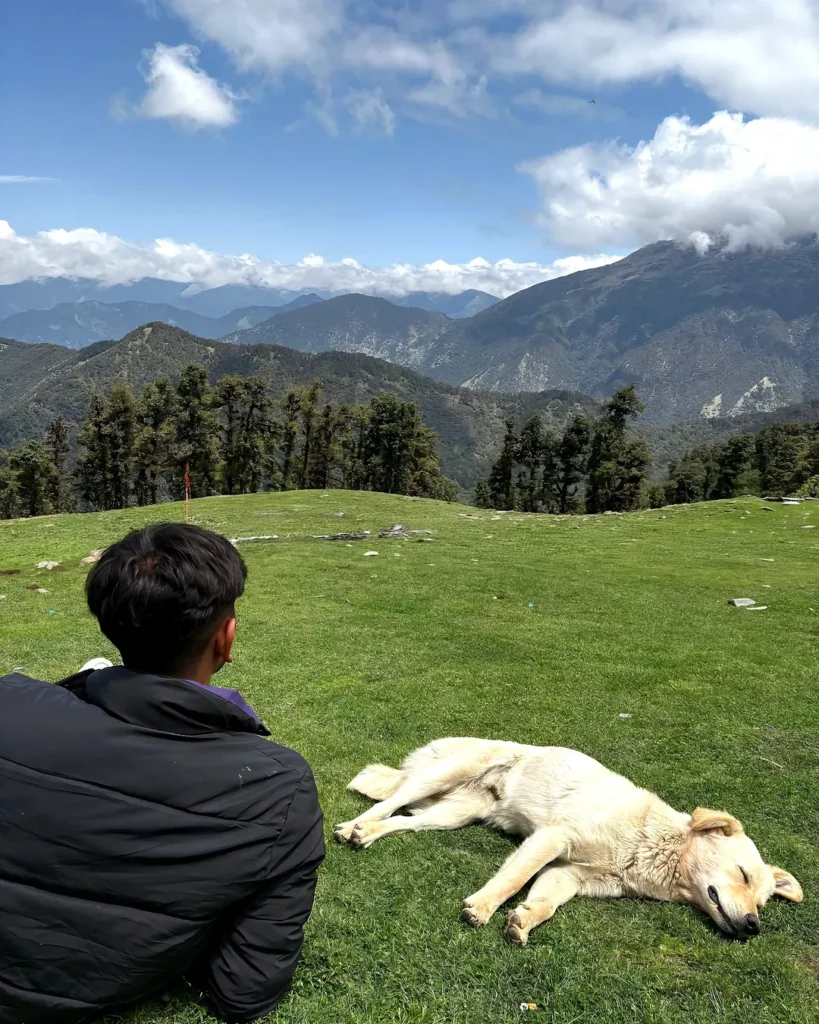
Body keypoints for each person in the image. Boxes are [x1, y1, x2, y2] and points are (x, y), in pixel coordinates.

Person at [0, 524, 325, 1024]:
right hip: (97, 991)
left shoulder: (10, 702)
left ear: (110, 622)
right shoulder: (277, 785)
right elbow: (245, 992)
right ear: (226, 637)